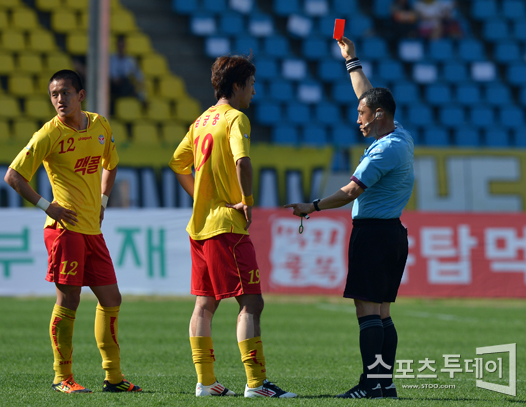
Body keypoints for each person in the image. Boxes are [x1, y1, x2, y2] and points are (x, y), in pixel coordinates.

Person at [285, 36, 415, 399]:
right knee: (383, 312)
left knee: (366, 310)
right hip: (392, 233)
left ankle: (371, 385)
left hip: (373, 236)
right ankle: (384, 384)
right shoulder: (399, 135)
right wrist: (351, 60)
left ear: (378, 116)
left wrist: (311, 206)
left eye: (361, 114)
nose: (356, 118)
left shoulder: (382, 153)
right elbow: (369, 96)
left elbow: (350, 192)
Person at [4, 70, 141, 394]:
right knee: (70, 299)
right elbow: (13, 175)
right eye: (54, 95)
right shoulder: (48, 134)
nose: (59, 100)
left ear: (81, 95)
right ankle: (61, 377)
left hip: (92, 229)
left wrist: (103, 201)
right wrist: (46, 205)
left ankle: (114, 377)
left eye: (65, 93)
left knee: (111, 298)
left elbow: (111, 163)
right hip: (64, 230)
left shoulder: (100, 126)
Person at [169, 55, 297, 399]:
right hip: (227, 226)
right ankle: (256, 384)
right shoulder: (235, 119)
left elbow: (178, 164)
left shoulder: (200, 121)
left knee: (204, 304)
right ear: (238, 85)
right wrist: (247, 200)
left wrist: (202, 198)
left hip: (200, 227)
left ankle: (206, 382)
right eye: (252, 85)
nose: (254, 92)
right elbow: (243, 160)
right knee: (251, 304)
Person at [110, 35, 145, 111]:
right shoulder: (111, 59)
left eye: (122, 46)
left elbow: (138, 76)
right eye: (119, 46)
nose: (121, 48)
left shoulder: (131, 60)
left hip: (125, 85)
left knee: (127, 82)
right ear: (116, 46)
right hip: (113, 85)